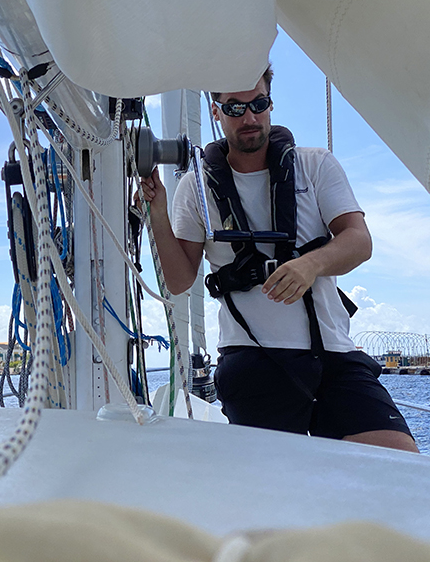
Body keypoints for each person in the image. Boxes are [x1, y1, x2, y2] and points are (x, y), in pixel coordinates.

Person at [140, 66, 418, 453]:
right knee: (278, 483)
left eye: (258, 104)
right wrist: (157, 212)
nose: (250, 117)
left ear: (270, 104)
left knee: (400, 464)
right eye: (235, 108)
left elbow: (359, 241)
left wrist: (311, 265)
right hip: (252, 357)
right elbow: (179, 279)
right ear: (216, 112)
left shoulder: (316, 166)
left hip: (334, 356)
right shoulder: (196, 188)